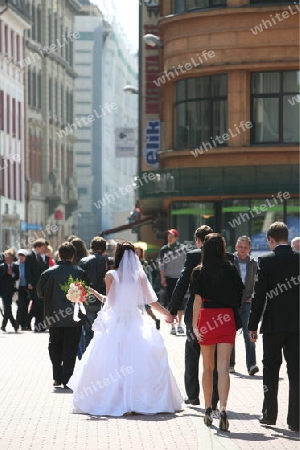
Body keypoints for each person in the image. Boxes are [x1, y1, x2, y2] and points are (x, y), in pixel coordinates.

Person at [68, 241, 183, 416]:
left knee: (113, 361)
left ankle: (117, 399)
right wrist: (168, 314)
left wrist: (93, 292)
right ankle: (140, 400)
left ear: (117, 256)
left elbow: (111, 302)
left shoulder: (111, 275)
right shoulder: (140, 275)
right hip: (136, 321)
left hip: (117, 322)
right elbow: (151, 301)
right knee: (138, 360)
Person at [248, 221, 300, 432]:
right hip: (297, 325)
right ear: (286, 237)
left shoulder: (266, 261)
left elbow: (259, 296)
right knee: (296, 371)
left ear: (270, 239)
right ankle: (296, 420)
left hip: (272, 325)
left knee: (270, 368)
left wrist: (252, 325)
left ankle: (269, 415)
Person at [192, 234, 244, 431]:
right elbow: (240, 294)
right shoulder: (230, 269)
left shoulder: (198, 271)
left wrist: (195, 327)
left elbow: (197, 301)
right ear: (222, 249)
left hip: (207, 318)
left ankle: (207, 409)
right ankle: (222, 409)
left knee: (207, 368)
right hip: (226, 318)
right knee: (223, 368)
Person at [168, 225, 213, 406]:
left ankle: (193, 395)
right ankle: (215, 398)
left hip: (196, 312)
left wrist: (172, 309)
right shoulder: (226, 255)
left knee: (192, 353)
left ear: (198, 240)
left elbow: (183, 282)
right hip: (218, 313)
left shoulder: (194, 255)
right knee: (215, 357)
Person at [37, 242, 89, 388]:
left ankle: (57, 377)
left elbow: (40, 293)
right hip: (74, 317)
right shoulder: (80, 272)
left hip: (54, 316)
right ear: (73, 256)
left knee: (55, 346)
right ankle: (67, 378)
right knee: (70, 348)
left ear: (59, 254)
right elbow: (86, 294)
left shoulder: (48, 273)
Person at [229, 236, 258, 376]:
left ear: (249, 249)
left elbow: (258, 282)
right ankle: (230, 364)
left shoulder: (254, 263)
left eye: (245, 247)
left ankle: (252, 365)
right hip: (232, 303)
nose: (242, 250)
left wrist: (253, 297)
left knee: (249, 333)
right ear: (236, 247)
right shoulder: (229, 261)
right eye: (240, 247)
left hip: (247, 302)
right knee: (230, 334)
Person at [78, 236, 108, 349]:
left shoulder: (84, 261)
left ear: (92, 247)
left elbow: (78, 282)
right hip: (105, 300)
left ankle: (87, 357)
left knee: (89, 332)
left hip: (88, 299)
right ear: (104, 248)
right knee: (104, 332)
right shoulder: (109, 262)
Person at [159, 229, 187, 335]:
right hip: (169, 278)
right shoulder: (164, 250)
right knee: (171, 302)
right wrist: (162, 277)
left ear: (176, 237)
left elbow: (186, 264)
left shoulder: (183, 249)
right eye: (168, 236)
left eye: (171, 236)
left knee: (180, 302)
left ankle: (180, 324)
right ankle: (172, 326)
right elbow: (161, 265)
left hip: (180, 278)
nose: (169, 238)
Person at [25, 239, 49, 332]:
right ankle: (28, 321)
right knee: (36, 304)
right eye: (43, 248)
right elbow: (28, 271)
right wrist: (29, 282)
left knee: (41, 305)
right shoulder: (30, 256)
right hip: (33, 285)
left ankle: (39, 325)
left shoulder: (44, 257)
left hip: (42, 285)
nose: (44, 250)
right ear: (37, 247)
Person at [135, 245, 160, 330]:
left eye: (138, 251)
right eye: (135, 251)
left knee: (148, 309)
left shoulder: (144, 263)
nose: (136, 253)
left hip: (143, 290)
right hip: (136, 290)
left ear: (141, 253)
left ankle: (155, 319)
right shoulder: (132, 263)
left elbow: (148, 277)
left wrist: (149, 288)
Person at [0, 249, 20, 332]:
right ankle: (13, 324)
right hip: (3, 290)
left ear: (12, 257)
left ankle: (7, 325)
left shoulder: (15, 266)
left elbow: (17, 277)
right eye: (6, 256)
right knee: (8, 307)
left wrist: (12, 274)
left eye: (9, 256)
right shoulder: (1, 266)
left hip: (11, 290)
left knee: (8, 307)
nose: (7, 258)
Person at [15, 249, 29, 331]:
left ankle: (24, 325)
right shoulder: (16, 264)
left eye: (23, 255)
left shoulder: (28, 265)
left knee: (25, 306)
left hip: (26, 288)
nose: (21, 257)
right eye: (20, 255)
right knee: (21, 306)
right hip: (18, 288)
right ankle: (17, 323)